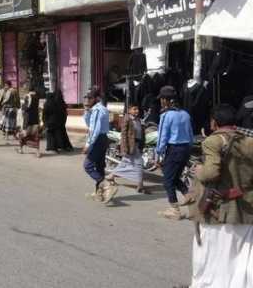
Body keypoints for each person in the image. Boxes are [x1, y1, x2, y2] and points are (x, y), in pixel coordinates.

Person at [189, 104, 253, 288]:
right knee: (241, 255)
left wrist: (199, 170)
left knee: (213, 253)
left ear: (214, 122)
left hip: (220, 208)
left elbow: (211, 173)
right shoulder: (249, 141)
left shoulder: (213, 141)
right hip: (247, 208)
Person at [155, 85, 195, 220]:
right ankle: (188, 195)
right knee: (175, 177)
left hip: (174, 149)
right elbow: (190, 135)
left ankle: (175, 210)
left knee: (167, 180)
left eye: (162, 99)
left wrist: (158, 154)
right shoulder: (185, 114)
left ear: (166, 100)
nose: (161, 102)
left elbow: (162, 137)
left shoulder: (166, 115)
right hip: (186, 149)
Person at [83, 87, 117, 203]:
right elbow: (88, 123)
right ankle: (99, 193)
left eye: (90, 98)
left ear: (96, 98)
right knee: (99, 166)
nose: (87, 100)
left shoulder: (98, 110)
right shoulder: (97, 109)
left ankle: (107, 185)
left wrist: (88, 144)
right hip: (102, 139)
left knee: (87, 165)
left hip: (98, 140)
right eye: (86, 97)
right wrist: (87, 110)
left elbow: (94, 130)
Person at [106, 104, 147, 193]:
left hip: (137, 145)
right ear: (129, 110)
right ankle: (140, 185)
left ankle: (112, 175)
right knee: (139, 164)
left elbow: (141, 133)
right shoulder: (127, 119)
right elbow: (123, 135)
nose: (137, 111)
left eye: (137, 109)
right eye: (134, 109)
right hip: (130, 146)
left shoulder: (138, 120)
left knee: (126, 164)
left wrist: (142, 144)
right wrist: (124, 148)